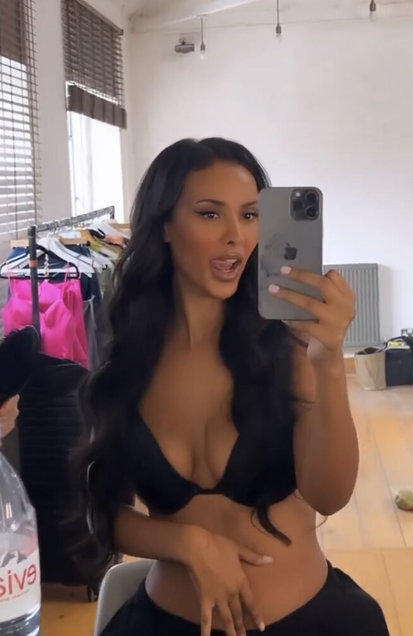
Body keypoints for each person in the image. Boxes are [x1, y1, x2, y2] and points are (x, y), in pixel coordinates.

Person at [79, 138, 390, 635]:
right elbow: (104, 515)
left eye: (249, 216)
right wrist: (188, 544)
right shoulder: (130, 358)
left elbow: (330, 495)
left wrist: (329, 359)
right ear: (164, 224)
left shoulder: (290, 343)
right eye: (210, 214)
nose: (236, 238)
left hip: (311, 623)